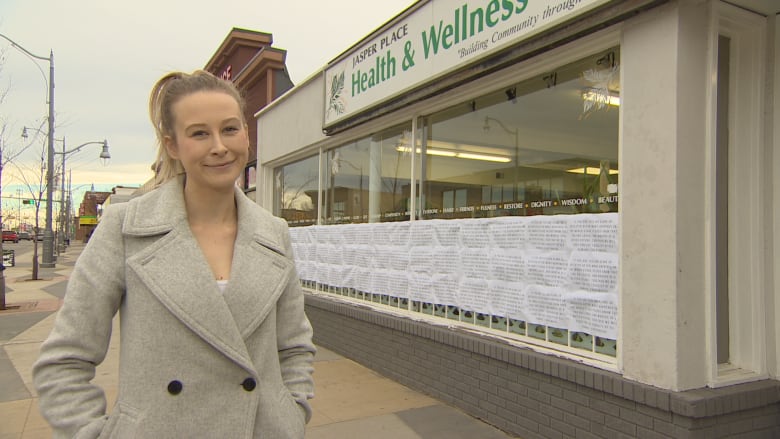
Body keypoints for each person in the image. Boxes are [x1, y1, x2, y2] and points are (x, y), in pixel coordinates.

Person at [33, 70, 316, 439]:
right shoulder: (125, 229)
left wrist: (291, 413)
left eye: (230, 129)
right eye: (200, 133)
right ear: (172, 145)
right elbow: (64, 362)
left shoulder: (274, 232)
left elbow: (294, 347)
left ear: (247, 135)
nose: (219, 146)